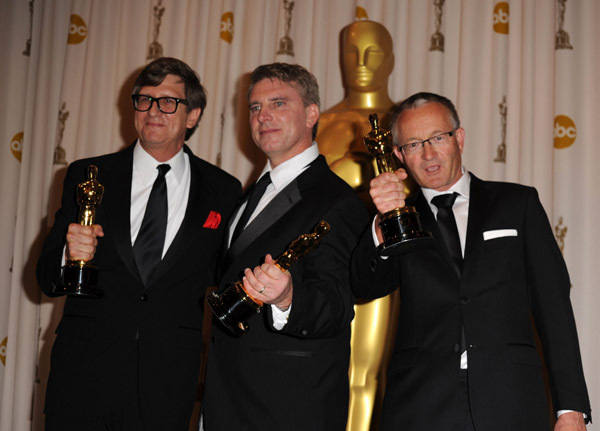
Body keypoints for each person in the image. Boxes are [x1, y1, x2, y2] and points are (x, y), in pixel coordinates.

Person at [350, 92, 592, 431]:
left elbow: (553, 307)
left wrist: (571, 408)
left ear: (459, 138)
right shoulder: (399, 218)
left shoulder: (516, 204)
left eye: (437, 138)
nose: (429, 153)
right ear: (398, 155)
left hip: (511, 401)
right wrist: (382, 224)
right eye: (414, 145)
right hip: (419, 406)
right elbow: (364, 285)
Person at [36, 57, 241, 431]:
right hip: (82, 381)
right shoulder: (88, 175)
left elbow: (225, 278)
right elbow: (46, 277)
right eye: (144, 99)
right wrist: (69, 255)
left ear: (192, 115)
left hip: (167, 387)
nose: (153, 111)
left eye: (168, 102)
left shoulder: (224, 191)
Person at [203, 63, 369, 430]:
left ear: (312, 114)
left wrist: (288, 298)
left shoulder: (338, 200)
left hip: (289, 407)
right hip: (226, 399)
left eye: (279, 103)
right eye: (255, 107)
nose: (264, 116)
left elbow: (338, 305)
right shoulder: (246, 195)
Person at [316, 20, 400, 430]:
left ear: (391, 60)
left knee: (366, 373)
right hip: (322, 261)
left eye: (373, 52)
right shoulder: (320, 121)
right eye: (352, 51)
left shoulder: (402, 123)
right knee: (322, 367)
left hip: (380, 259)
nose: (361, 62)